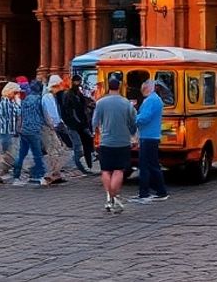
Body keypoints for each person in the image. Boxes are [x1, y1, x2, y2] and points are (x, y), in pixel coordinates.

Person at [93, 73, 137, 214]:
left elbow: (94, 122)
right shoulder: (126, 103)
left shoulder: (100, 103)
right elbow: (133, 123)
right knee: (118, 170)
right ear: (120, 87)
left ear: (108, 87)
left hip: (106, 141)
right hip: (122, 141)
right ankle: (113, 195)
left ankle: (109, 197)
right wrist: (133, 135)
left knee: (106, 170)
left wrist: (98, 131)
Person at [133, 79, 169, 204]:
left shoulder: (150, 101)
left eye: (143, 88)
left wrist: (134, 119)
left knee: (145, 165)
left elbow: (144, 117)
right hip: (152, 136)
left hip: (147, 136)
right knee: (153, 165)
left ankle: (145, 193)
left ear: (149, 88)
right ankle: (160, 191)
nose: (142, 91)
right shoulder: (156, 100)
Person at [12, 79, 49, 187]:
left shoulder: (25, 99)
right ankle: (40, 176)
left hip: (24, 130)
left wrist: (18, 128)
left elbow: (20, 115)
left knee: (21, 154)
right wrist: (50, 125)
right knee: (37, 154)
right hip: (34, 130)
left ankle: (16, 176)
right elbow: (44, 115)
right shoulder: (39, 100)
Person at [63, 75, 97, 174]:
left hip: (82, 124)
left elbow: (83, 104)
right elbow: (68, 111)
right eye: (77, 82)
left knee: (87, 144)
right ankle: (81, 167)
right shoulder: (69, 94)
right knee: (78, 147)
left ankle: (88, 166)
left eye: (79, 81)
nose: (78, 83)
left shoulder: (78, 93)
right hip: (75, 125)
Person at [41, 75, 69, 184]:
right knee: (54, 151)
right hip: (50, 127)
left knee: (58, 150)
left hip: (54, 125)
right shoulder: (47, 97)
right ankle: (52, 174)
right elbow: (50, 113)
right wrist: (55, 124)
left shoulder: (51, 96)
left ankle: (56, 174)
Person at [0, 82, 22, 182]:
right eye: (15, 92)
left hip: (9, 130)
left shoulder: (11, 101)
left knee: (9, 151)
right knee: (6, 151)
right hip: (5, 130)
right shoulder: (5, 102)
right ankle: (3, 171)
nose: (16, 94)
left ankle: (5, 170)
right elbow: (11, 116)